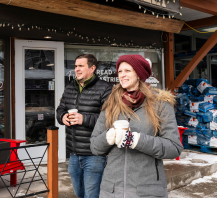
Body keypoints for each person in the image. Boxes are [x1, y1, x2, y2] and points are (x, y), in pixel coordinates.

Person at [90, 54, 183, 198]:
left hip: (148, 191)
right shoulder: (111, 103)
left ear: (139, 74)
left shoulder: (160, 104)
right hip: (112, 190)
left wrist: (136, 140)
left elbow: (174, 147)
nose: (122, 75)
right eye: (120, 71)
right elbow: (95, 146)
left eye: (128, 71)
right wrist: (108, 136)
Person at [56, 54, 112, 198]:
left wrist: (84, 119)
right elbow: (60, 109)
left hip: (94, 154)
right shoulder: (70, 88)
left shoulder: (106, 88)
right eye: (75, 66)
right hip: (74, 154)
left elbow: (110, 120)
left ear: (92, 68)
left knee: (91, 195)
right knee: (79, 193)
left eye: (81, 66)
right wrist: (63, 117)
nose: (76, 69)